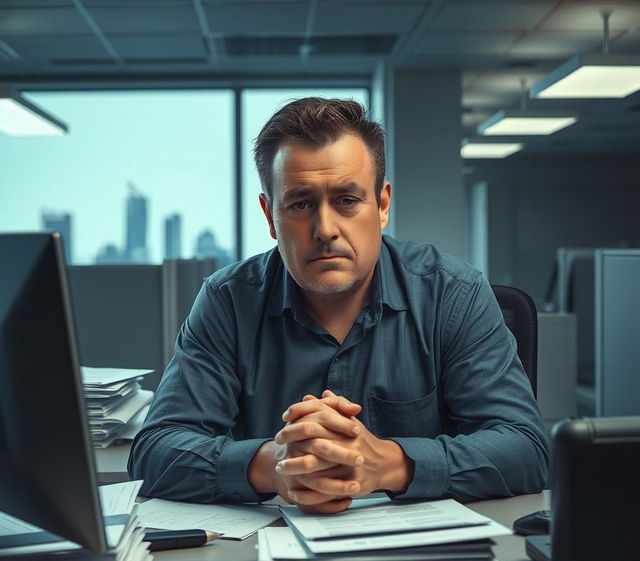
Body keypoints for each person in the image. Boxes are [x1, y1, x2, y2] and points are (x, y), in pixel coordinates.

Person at [128, 98, 548, 514]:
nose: (325, 229)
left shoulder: (454, 294)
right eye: (300, 203)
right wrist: (271, 466)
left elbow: (525, 448)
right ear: (270, 215)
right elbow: (155, 451)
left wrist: (389, 463)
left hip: (422, 552)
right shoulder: (227, 301)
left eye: (347, 200)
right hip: (267, 554)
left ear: (382, 205)